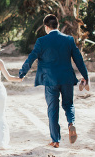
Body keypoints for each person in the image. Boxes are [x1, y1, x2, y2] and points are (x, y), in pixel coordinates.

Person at [18, 14, 90, 148]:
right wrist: (85, 76)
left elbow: (31, 58)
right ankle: (71, 123)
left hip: (50, 80)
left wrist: (22, 73)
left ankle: (55, 140)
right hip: (67, 78)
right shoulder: (69, 39)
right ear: (57, 25)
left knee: (53, 109)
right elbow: (78, 59)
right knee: (68, 104)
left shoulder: (41, 41)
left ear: (46, 27)